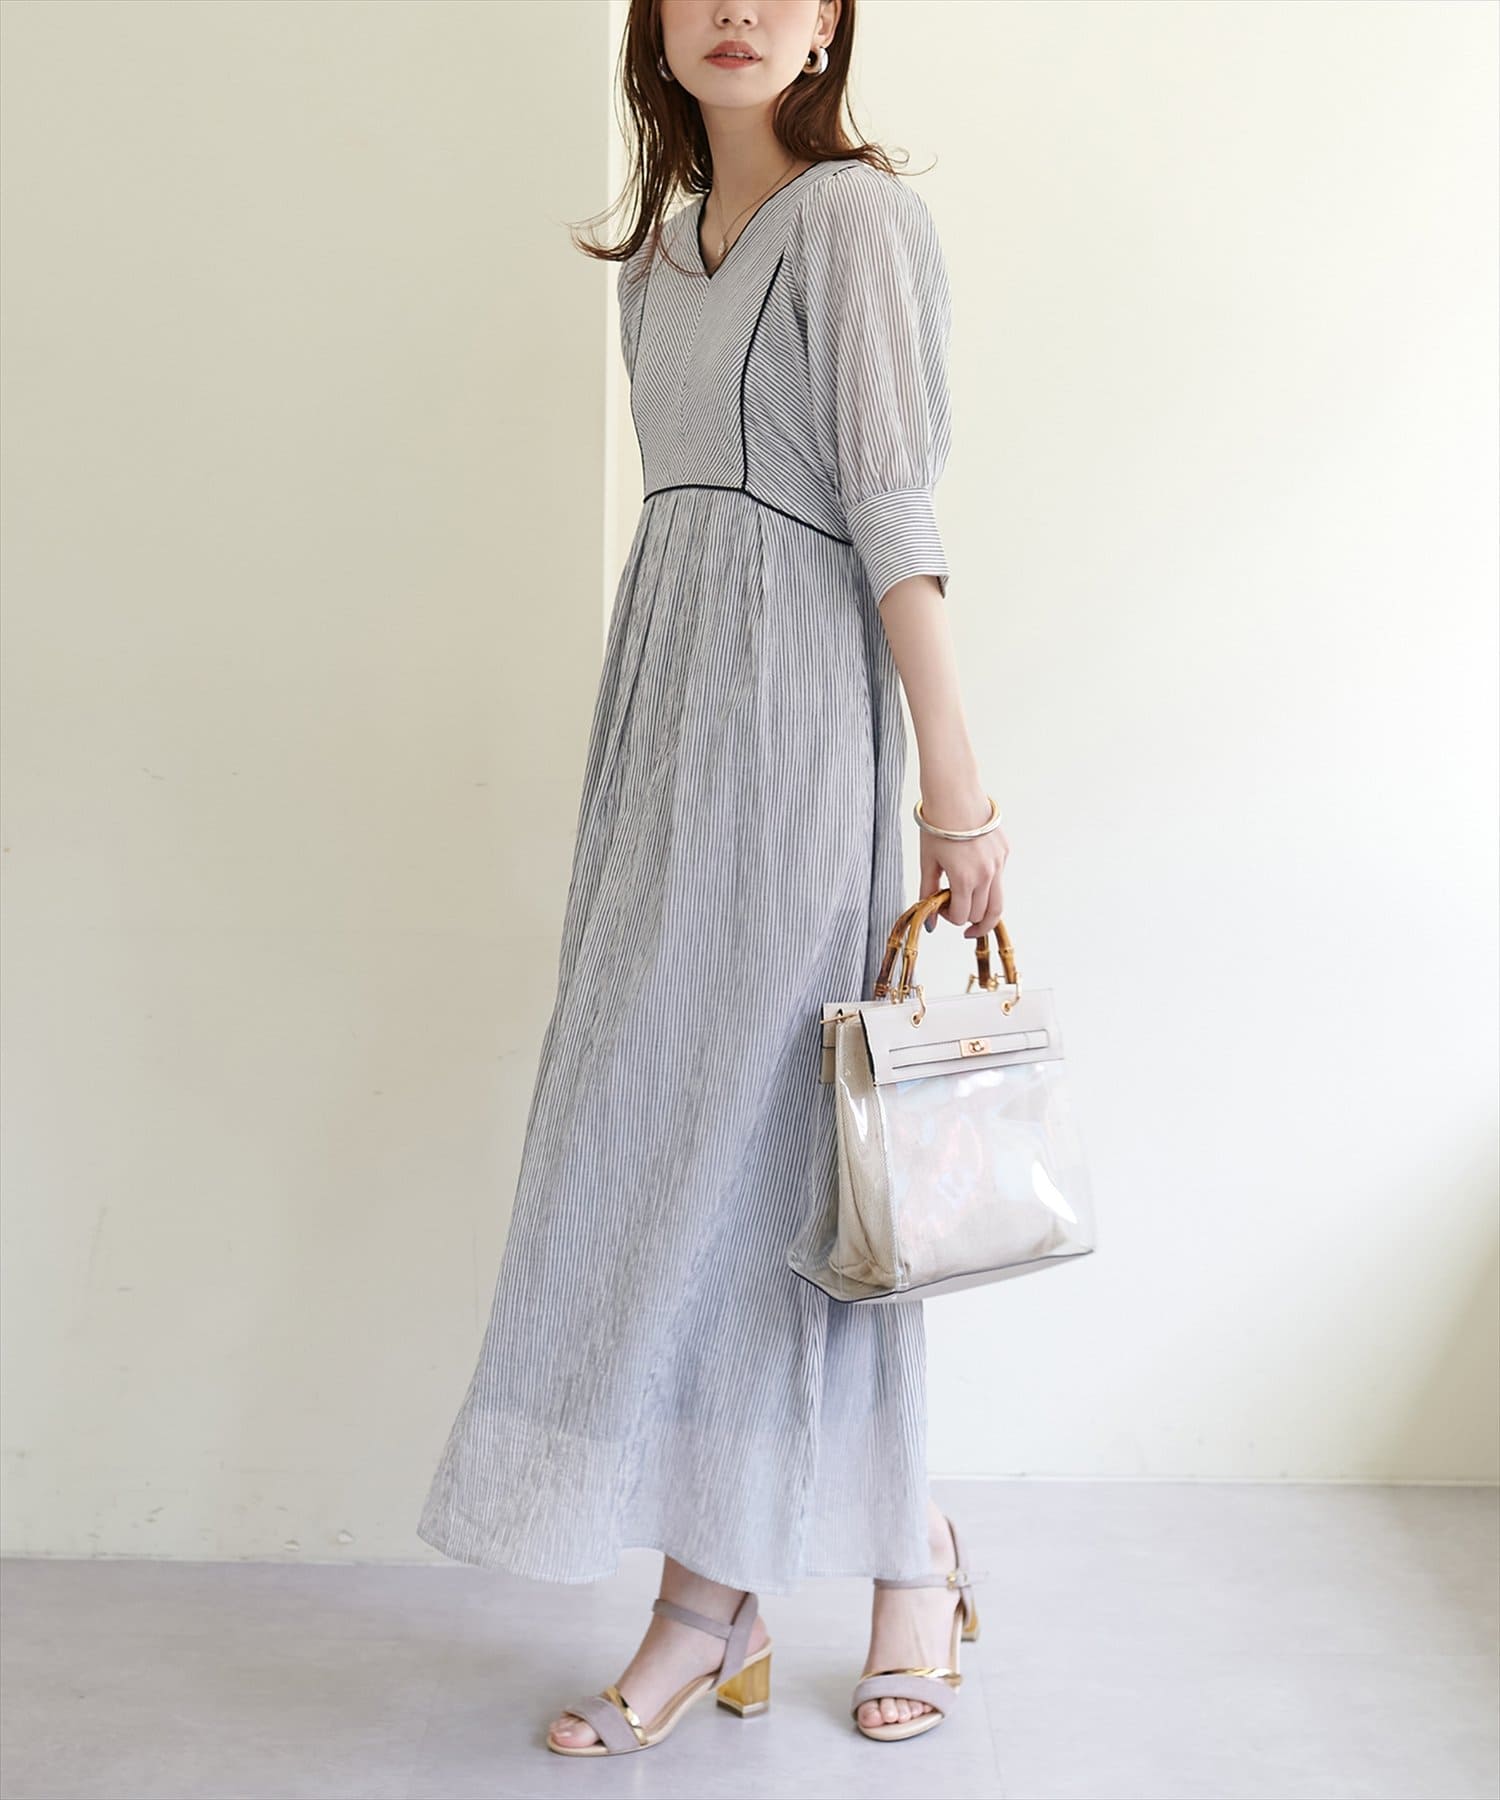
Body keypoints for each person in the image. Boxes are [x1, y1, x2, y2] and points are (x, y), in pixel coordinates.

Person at [416, 0, 1008, 1753]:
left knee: (803, 1160)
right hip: (663, 731)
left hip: (799, 729)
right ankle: (738, 1582)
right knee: (664, 1141)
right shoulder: (658, 259)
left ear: (828, 26)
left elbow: (892, 509)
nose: (738, 10)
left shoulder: (859, 223)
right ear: (655, 25)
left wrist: (956, 792)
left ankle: (880, 1567)